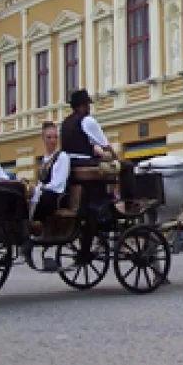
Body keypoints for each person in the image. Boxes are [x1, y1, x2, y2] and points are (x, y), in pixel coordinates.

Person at [60, 89, 116, 266]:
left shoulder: (66, 123)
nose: (89, 108)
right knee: (127, 168)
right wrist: (116, 158)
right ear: (83, 106)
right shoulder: (87, 120)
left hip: (71, 167)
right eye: (88, 105)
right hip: (85, 168)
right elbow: (104, 144)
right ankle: (124, 202)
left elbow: (81, 145)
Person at [30, 121, 71, 225]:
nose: (53, 140)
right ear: (43, 138)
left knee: (45, 197)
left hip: (56, 196)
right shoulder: (44, 159)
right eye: (49, 137)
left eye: (55, 137)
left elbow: (59, 184)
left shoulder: (62, 156)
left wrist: (41, 189)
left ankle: (35, 225)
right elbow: (41, 180)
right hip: (45, 193)